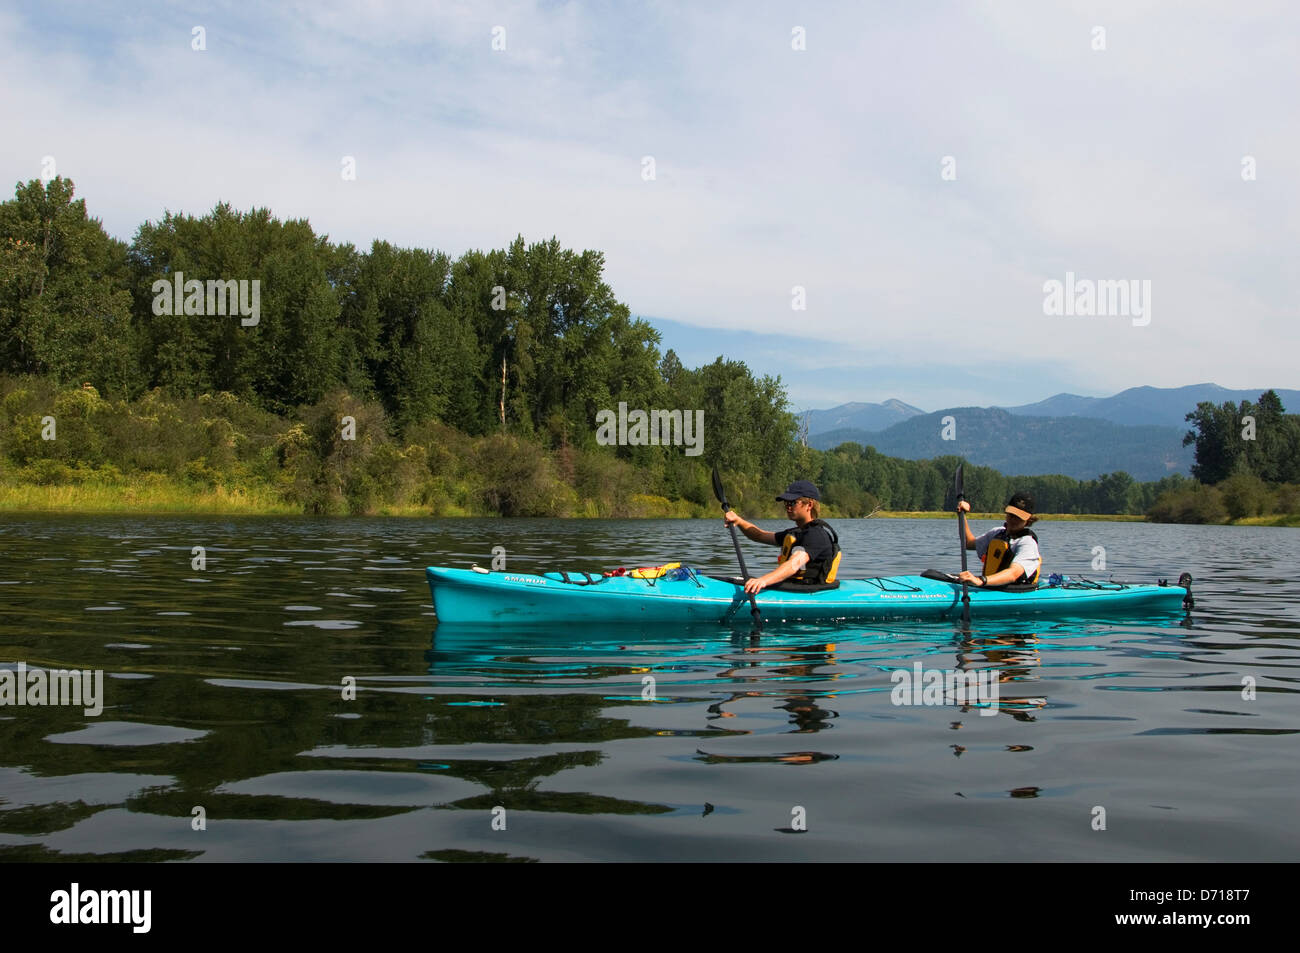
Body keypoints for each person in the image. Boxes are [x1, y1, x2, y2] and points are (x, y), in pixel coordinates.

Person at [723, 480, 841, 594]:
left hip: (807, 591)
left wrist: (763, 580)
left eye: (793, 502)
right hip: (794, 586)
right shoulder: (797, 533)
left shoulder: (816, 535)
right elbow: (759, 536)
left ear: (809, 505)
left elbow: (794, 564)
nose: (788, 507)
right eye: (786, 503)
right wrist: (738, 521)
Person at [956, 492, 1041, 588]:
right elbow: (968, 543)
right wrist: (962, 515)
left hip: (1013, 591)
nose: (1013, 520)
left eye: (1019, 517)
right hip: (989, 587)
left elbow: (1013, 574)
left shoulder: (1027, 543)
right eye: (1011, 515)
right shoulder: (997, 533)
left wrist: (980, 581)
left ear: (1029, 520)